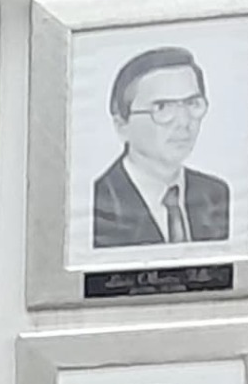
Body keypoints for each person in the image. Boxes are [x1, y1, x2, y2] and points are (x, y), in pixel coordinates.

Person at [90, 46, 228, 250]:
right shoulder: (98, 205)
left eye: (192, 103)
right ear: (122, 125)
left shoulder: (216, 194)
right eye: (162, 107)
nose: (184, 122)